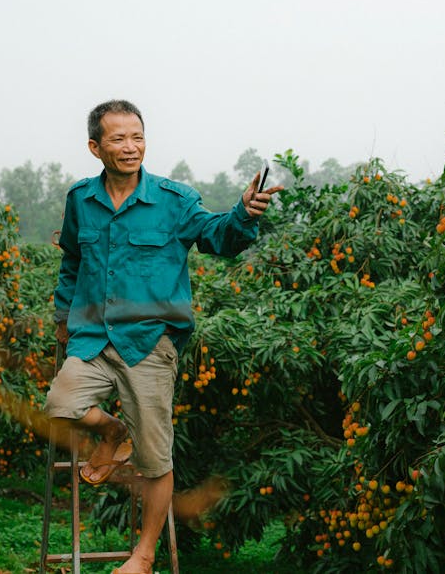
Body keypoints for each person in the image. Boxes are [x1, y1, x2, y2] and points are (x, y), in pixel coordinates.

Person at [46, 99, 281, 574]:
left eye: (137, 137)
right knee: (60, 404)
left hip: (149, 344)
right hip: (91, 339)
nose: (130, 147)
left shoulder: (173, 201)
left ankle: (144, 554)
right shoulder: (80, 201)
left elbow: (219, 236)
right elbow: (72, 260)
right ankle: (113, 433)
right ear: (96, 147)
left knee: (156, 459)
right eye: (118, 138)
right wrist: (62, 315)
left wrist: (245, 212)